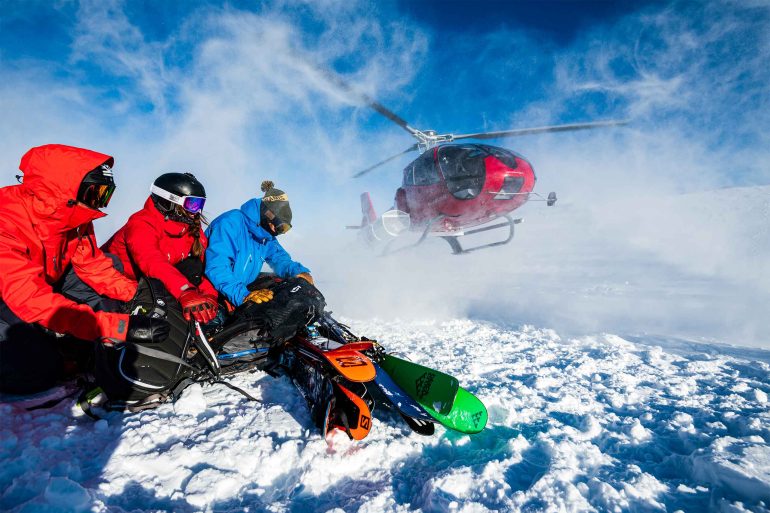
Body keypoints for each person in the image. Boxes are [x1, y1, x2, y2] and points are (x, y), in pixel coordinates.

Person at [0, 144, 169, 395]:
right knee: (35, 369)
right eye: (95, 193)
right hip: (10, 294)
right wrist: (117, 327)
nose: (98, 203)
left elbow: (94, 267)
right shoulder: (7, 219)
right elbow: (27, 297)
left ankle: (73, 343)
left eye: (105, 195)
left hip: (46, 280)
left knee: (111, 284)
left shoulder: (74, 218)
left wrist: (137, 294)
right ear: (61, 187)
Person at [102, 172, 220, 324]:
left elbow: (201, 269)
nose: (196, 211)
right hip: (117, 286)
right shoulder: (141, 223)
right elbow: (153, 262)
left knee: (192, 265)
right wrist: (185, 291)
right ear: (170, 201)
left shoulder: (191, 229)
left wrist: (210, 296)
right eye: (192, 204)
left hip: (151, 285)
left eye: (200, 205)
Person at [205, 180, 312, 307]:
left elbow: (279, 258)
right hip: (212, 292)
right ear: (268, 215)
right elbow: (217, 266)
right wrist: (242, 295)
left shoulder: (265, 234)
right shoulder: (231, 223)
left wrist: (299, 272)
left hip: (237, 290)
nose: (278, 232)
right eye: (280, 227)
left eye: (284, 229)